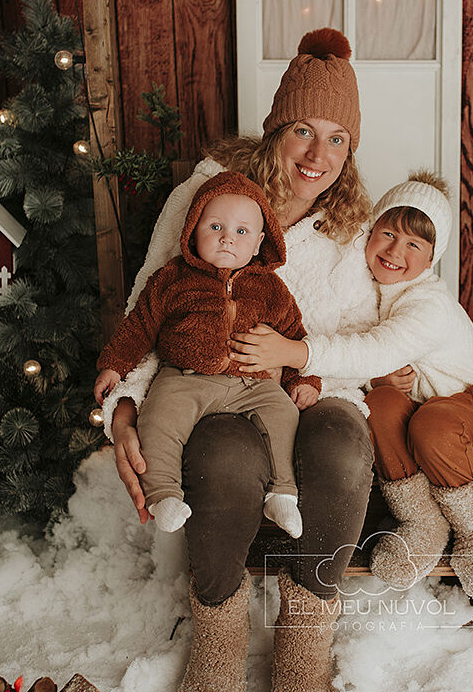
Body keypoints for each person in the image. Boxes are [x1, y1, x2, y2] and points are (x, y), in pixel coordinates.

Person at [101, 28, 378, 692]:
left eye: (337, 138)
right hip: (204, 387)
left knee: (342, 446)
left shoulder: (350, 229)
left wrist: (299, 356)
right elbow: (151, 306)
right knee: (225, 458)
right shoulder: (206, 199)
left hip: (309, 387)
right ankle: (219, 635)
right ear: (274, 131)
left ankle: (305, 640)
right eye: (303, 132)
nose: (318, 155)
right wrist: (124, 409)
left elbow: (367, 338)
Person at [229, 171, 473, 601]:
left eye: (414, 245)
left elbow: (376, 348)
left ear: (433, 257)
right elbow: (369, 361)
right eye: (387, 233)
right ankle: (423, 522)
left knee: (433, 424)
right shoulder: (371, 285)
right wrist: (372, 379)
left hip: (468, 413)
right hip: (418, 414)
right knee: (378, 405)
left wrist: (292, 353)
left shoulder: (429, 304)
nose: (394, 251)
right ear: (371, 230)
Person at [94, 171, 319, 538]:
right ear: (192, 230)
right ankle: (163, 494)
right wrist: (114, 366)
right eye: (215, 226)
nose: (228, 237)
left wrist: (303, 379)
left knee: (283, 416)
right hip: (186, 378)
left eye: (242, 232)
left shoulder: (271, 289)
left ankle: (282, 493)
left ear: (260, 241)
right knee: (159, 419)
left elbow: (294, 335)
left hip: (252, 381)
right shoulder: (172, 278)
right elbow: (139, 326)